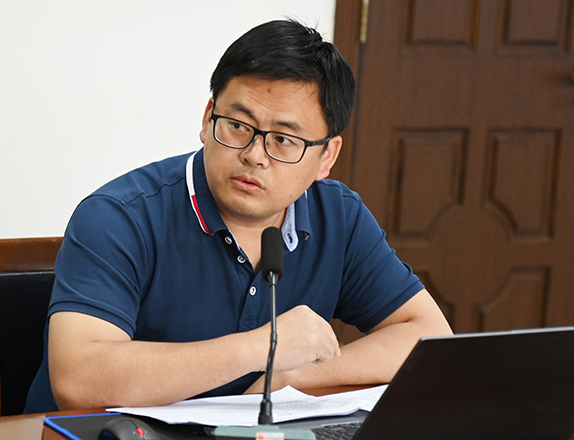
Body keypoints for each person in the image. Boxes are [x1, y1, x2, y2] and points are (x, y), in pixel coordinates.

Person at [24, 19, 452, 413]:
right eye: (238, 126)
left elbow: (429, 337)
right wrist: (261, 348)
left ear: (327, 157)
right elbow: (80, 380)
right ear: (208, 117)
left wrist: (291, 376)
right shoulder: (119, 217)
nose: (254, 155)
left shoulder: (338, 216)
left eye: (283, 140)